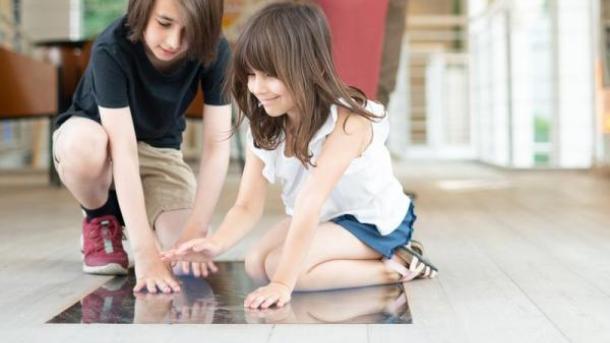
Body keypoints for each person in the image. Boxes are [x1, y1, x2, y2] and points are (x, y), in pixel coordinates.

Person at [162, 1, 437, 309]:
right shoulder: (266, 124)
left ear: (309, 68)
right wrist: (216, 243)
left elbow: (310, 200)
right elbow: (246, 205)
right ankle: (367, 262)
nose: (257, 87)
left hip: (371, 221)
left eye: (269, 75)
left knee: (286, 270)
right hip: (327, 217)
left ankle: (395, 265)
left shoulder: (347, 121)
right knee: (255, 264)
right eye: (251, 75)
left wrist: (283, 284)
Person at [52, 0, 231, 293]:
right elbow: (123, 152)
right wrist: (145, 253)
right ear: (143, 9)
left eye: (190, 31)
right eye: (164, 23)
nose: (174, 42)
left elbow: (217, 147)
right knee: (84, 148)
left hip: (160, 153)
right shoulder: (111, 47)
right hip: (101, 145)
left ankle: (135, 217)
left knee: (184, 258)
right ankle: (100, 214)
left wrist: (196, 228)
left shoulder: (215, 49)